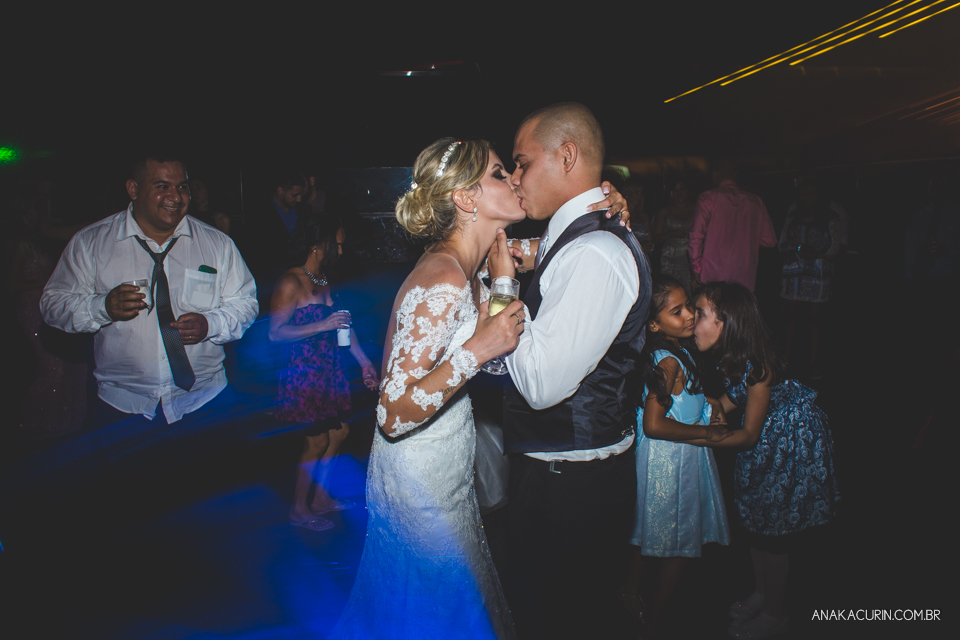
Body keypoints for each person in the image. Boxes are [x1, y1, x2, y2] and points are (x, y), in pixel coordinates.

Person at [331, 137, 628, 639]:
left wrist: (607, 209)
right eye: (498, 173)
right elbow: (393, 411)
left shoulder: (475, 265)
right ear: (466, 199)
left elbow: (557, 251)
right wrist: (480, 349)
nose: (514, 179)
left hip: (449, 458)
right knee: (434, 601)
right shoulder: (443, 277)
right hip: (417, 471)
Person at [498, 102, 651, 639]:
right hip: (562, 468)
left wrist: (500, 289)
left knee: (555, 617)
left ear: (567, 156)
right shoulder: (574, 241)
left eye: (521, 163)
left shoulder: (595, 253)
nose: (516, 178)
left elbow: (541, 385)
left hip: (571, 478)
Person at [40, 153, 257, 446]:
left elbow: (245, 303)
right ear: (133, 189)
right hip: (123, 408)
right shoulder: (91, 243)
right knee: (130, 493)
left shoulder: (216, 244)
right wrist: (102, 307)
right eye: (162, 186)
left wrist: (210, 323)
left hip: (205, 402)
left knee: (209, 488)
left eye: (182, 187)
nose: (176, 196)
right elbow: (52, 305)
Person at [692, 282, 841, 640]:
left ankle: (777, 614)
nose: (693, 322)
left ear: (727, 323)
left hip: (788, 448)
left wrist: (695, 436)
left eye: (700, 314)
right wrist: (686, 396)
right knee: (757, 523)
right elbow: (725, 405)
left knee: (774, 533)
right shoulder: (738, 360)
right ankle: (762, 592)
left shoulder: (758, 368)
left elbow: (747, 434)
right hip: (767, 445)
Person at [622, 275, 731, 636]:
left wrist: (710, 404)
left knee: (647, 535)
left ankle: (631, 595)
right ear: (654, 324)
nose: (688, 316)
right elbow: (654, 424)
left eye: (689, 308)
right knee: (680, 546)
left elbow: (683, 401)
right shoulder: (668, 362)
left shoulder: (670, 355)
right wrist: (706, 431)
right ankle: (654, 621)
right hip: (671, 463)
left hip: (672, 459)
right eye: (677, 311)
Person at [269, 216, 379, 532]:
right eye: (338, 245)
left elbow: (343, 325)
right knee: (315, 443)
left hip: (329, 369)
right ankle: (298, 510)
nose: (341, 252)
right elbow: (275, 334)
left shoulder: (323, 281)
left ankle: (321, 499)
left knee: (341, 432)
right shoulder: (290, 282)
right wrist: (321, 325)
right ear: (319, 246)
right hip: (304, 373)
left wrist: (364, 363)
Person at [778, 178, 841, 379]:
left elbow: (834, 248)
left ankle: (812, 364)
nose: (808, 198)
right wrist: (797, 249)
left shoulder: (830, 217)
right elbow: (782, 244)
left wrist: (815, 252)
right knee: (791, 317)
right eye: (804, 194)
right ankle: (786, 360)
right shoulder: (794, 216)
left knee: (815, 319)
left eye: (812, 194)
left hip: (818, 274)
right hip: (795, 272)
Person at [687, 159, 777, 291]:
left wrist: (696, 268)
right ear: (735, 173)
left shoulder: (708, 198)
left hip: (713, 275)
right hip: (745, 276)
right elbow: (770, 241)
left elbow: (695, 236)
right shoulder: (756, 201)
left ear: (715, 173)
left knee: (713, 310)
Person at [652, 176, 696, 290]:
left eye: (682, 189)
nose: (679, 193)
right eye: (675, 190)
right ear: (670, 193)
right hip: (670, 259)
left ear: (687, 190)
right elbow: (655, 238)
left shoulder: (697, 208)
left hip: (691, 259)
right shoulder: (664, 212)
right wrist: (671, 233)